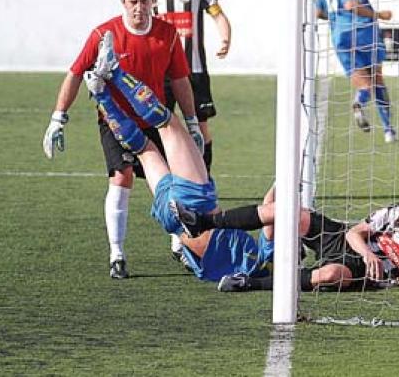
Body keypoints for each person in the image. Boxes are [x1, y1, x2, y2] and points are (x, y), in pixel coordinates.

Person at [42, 0, 204, 280]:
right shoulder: (104, 34)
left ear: (153, 1)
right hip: (115, 120)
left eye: (144, 1)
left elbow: (180, 80)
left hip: (155, 119)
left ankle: (178, 244)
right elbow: (76, 73)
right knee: (122, 177)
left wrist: (192, 122)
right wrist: (58, 117)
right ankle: (116, 254)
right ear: (123, 2)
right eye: (133, 2)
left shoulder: (168, 34)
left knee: (171, 182)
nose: (139, 8)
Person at [82, 37, 273, 283]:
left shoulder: (269, 258)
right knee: (144, 149)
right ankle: (100, 93)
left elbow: (272, 212)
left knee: (167, 123)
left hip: (196, 205)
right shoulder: (244, 272)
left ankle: (115, 71)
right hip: (174, 222)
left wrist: (304, 214)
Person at [175, 176, 399, 292]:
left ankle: (249, 283)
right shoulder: (397, 212)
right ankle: (203, 222)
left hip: (364, 271)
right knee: (287, 211)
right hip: (347, 241)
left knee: (329, 274)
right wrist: (368, 252)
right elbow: (355, 232)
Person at [152, 0, 233, 262]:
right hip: (162, 74)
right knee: (164, 131)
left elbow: (218, 14)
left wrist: (225, 37)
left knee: (201, 128)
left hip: (194, 72)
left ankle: (202, 181)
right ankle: (176, 189)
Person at [316, 0, 397, 143]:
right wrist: (378, 14)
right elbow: (351, 4)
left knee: (364, 86)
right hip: (362, 31)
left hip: (340, 37)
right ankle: (388, 131)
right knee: (377, 79)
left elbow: (318, 12)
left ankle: (359, 102)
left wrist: (336, 18)